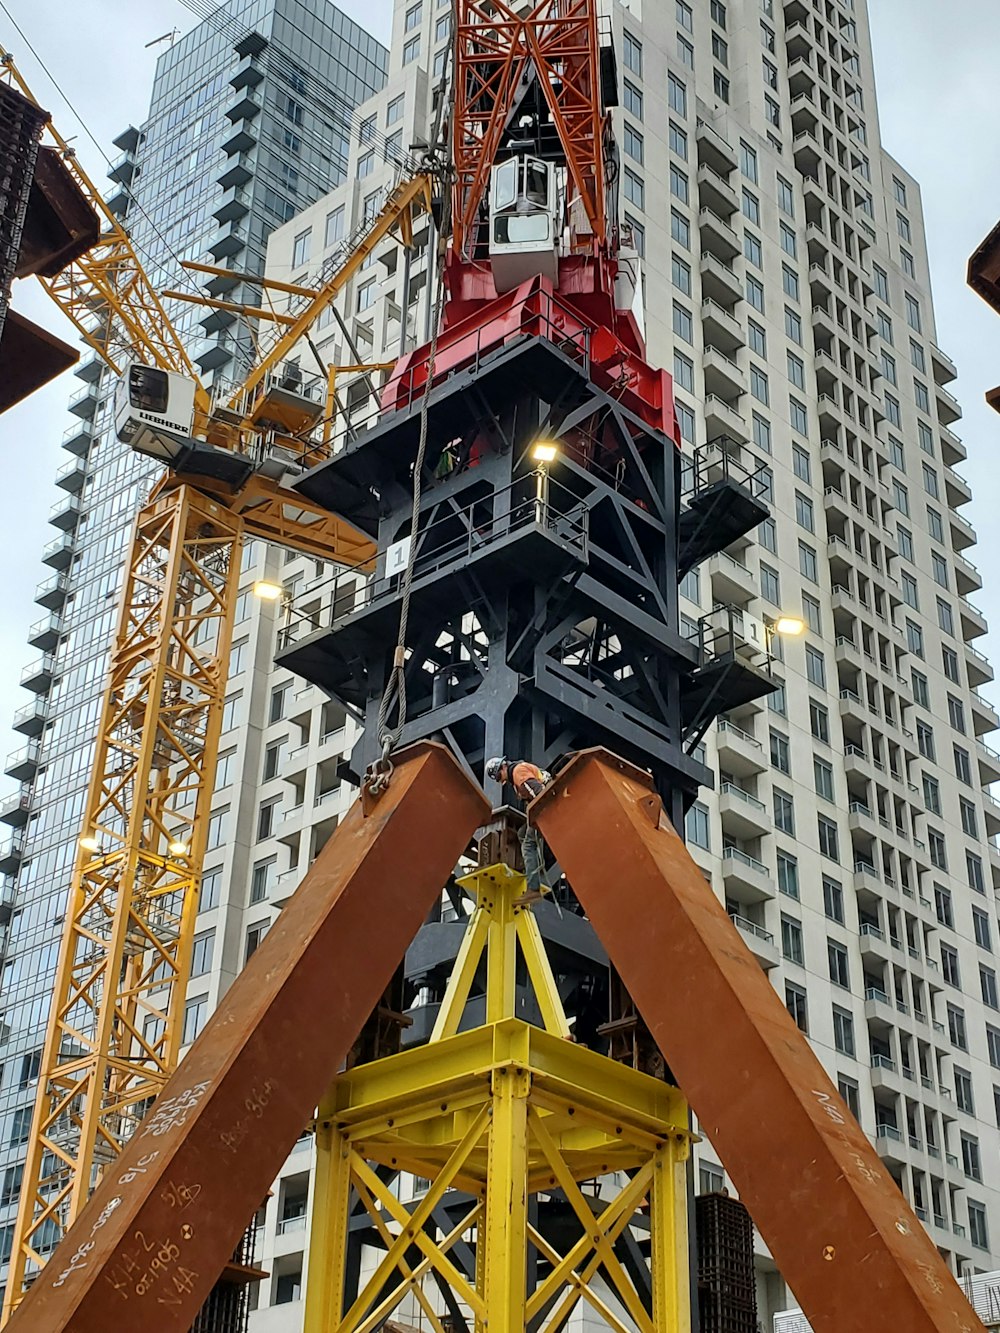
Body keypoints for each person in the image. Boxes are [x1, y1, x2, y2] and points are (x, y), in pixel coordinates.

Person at [485, 756, 552, 893]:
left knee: (528, 844)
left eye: (499, 775)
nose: (501, 779)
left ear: (503, 767)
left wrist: (536, 818)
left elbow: (539, 792)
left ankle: (533, 888)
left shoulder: (518, 773)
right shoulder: (517, 774)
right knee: (522, 833)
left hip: (545, 809)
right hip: (543, 808)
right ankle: (535, 865)